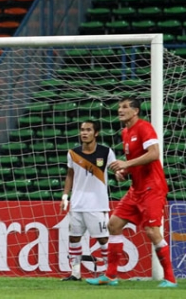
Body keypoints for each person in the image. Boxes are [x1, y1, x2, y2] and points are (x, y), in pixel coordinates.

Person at [86, 98, 177, 288]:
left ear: (135, 111)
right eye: (119, 107)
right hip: (136, 188)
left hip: (153, 188)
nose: (120, 110)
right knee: (114, 225)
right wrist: (124, 173)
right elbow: (135, 160)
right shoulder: (125, 132)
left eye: (125, 107)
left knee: (152, 231)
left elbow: (154, 154)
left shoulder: (145, 128)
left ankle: (170, 279)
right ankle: (110, 276)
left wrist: (126, 164)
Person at [60, 121, 116, 281]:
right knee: (74, 237)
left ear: (96, 133)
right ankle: (75, 273)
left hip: (97, 204)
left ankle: (109, 273)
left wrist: (120, 173)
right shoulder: (73, 153)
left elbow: (115, 168)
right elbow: (70, 175)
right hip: (77, 204)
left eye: (88, 130)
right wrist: (65, 196)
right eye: (82, 130)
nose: (84, 133)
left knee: (103, 238)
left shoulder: (106, 152)